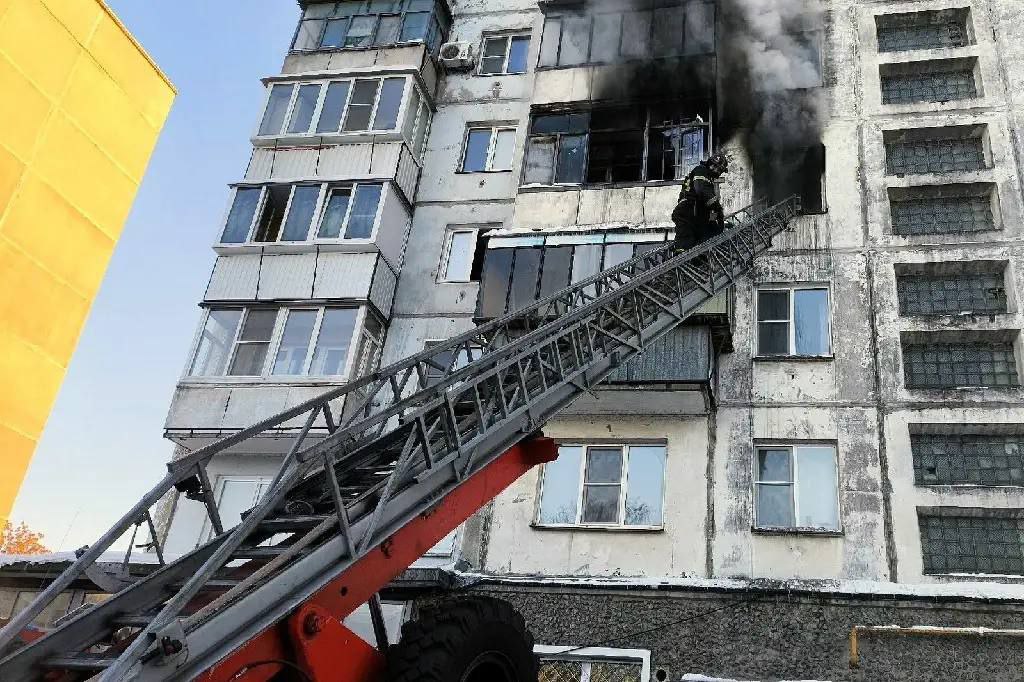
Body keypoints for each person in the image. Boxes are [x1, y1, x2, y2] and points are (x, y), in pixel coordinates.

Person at [671, 152, 729, 250]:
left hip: (696, 211)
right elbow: (701, 190)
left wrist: (718, 216)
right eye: (717, 168)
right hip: (688, 210)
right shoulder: (701, 170)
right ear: (711, 164)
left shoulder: (707, 177)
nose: (717, 172)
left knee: (709, 233)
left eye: (720, 170)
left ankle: (701, 255)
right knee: (685, 242)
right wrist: (716, 207)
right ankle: (682, 255)